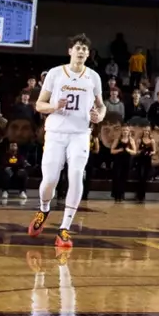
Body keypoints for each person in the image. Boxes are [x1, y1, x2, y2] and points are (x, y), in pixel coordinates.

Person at [28, 34, 106, 250]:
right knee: (50, 180)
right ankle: (43, 209)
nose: (81, 51)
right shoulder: (55, 73)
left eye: (84, 49)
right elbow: (39, 105)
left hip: (80, 133)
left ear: (88, 54)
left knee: (75, 175)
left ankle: (64, 229)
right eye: (77, 48)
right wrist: (54, 107)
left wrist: (99, 116)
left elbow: (101, 106)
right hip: (55, 132)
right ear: (70, 51)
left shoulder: (93, 77)